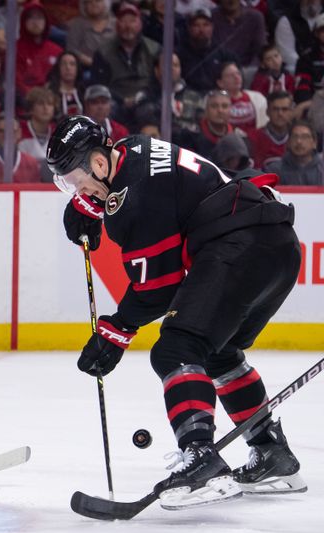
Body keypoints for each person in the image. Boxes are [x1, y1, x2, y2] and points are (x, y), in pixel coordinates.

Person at [46, 114, 305, 512]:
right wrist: (92, 202)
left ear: (98, 164)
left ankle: (202, 460)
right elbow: (167, 196)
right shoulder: (132, 148)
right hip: (276, 245)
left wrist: (115, 333)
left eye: (72, 179)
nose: (73, 189)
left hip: (239, 247)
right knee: (216, 354)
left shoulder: (130, 201)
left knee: (175, 349)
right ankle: (272, 454)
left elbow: (159, 288)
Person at [15, 1, 64, 97]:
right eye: (30, 17)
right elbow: (16, 81)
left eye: (39, 18)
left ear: (46, 22)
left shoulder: (57, 51)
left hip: (52, 99)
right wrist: (34, 95)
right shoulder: (15, 50)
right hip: (25, 100)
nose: (35, 22)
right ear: (23, 21)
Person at [0, 115, 40, 183]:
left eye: (11, 131)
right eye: (1, 131)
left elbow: (35, 192)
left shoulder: (31, 163)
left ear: (19, 133)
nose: (6, 135)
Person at [266, 120, 324, 185]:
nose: (299, 141)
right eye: (295, 137)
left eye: (305, 137)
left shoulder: (321, 169)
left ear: (314, 143)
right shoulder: (274, 170)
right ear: (288, 142)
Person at [248, 91, 293, 170]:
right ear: (267, 112)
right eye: (275, 109)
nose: (280, 114)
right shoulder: (253, 137)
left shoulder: (299, 137)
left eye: (284, 109)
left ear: (291, 112)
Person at [65, 0, 115, 71]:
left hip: (113, 68)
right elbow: (71, 49)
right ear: (84, 6)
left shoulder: (116, 24)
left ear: (106, 3)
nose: (93, 4)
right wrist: (92, 62)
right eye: (89, 2)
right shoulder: (77, 24)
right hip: (85, 69)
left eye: (97, 1)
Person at [48, 51, 85, 118]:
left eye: (72, 64)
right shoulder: (50, 92)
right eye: (63, 64)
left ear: (77, 68)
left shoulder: (84, 91)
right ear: (58, 68)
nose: (68, 67)